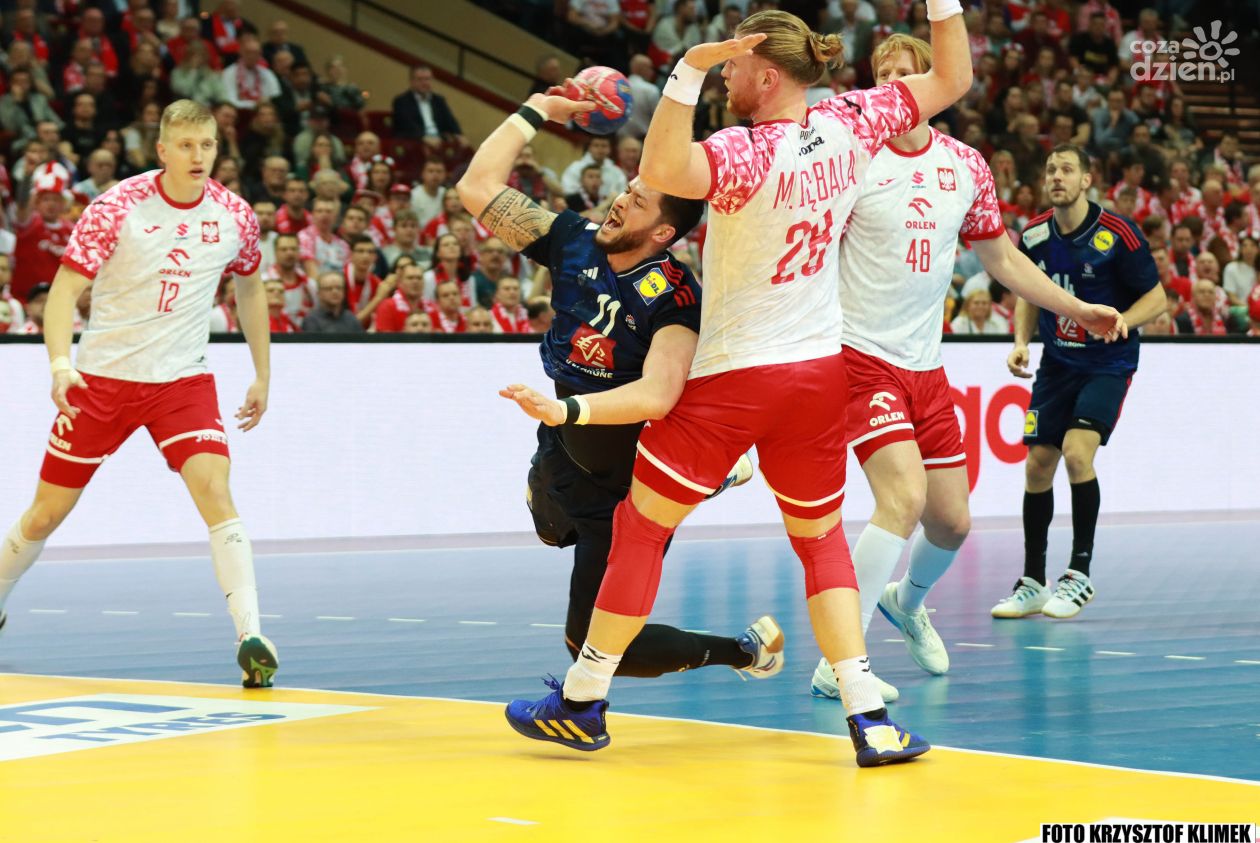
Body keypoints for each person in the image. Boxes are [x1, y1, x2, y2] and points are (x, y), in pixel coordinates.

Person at [504, 5, 975, 767]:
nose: (727, 76)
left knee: (640, 528)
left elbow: (664, 172)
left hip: (736, 376)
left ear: (767, 73)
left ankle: (583, 700)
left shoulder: (745, 151)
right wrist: (944, 5)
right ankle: (870, 718)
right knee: (820, 541)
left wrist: (686, 72)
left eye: (734, 67)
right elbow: (953, 76)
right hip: (817, 375)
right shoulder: (855, 120)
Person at [810, 36, 1126, 703]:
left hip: (926, 369)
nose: (893, 85)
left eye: (906, 74)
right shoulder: (850, 157)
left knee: (952, 523)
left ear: (934, 81)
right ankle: (841, 661)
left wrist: (1077, 308)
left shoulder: (965, 165)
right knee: (901, 500)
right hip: (859, 358)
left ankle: (905, 602)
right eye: (882, 75)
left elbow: (1003, 260)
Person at [457, 83, 777, 702]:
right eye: (625, 190)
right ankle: (714, 475)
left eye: (638, 200)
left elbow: (657, 395)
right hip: (564, 446)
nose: (620, 200)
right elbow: (477, 187)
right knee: (551, 529)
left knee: (589, 644)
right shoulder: (574, 240)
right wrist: (538, 111)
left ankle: (744, 650)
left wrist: (566, 409)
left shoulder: (674, 299)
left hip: (626, 490)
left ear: (663, 231)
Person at [0, 99, 279, 687]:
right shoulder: (116, 207)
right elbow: (63, 292)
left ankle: (251, 635)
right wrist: (60, 365)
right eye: (186, 146)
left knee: (216, 491)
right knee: (46, 514)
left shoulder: (234, 215)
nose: (198, 156)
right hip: (102, 380)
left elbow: (251, 288)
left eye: (207, 145)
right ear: (162, 150)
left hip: (182, 381)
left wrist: (262, 373)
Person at [992, 144, 1166, 621]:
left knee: (1075, 452)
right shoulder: (1034, 235)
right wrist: (1021, 341)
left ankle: (1079, 573)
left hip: (1107, 364)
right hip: (1057, 365)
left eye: (1067, 169)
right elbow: (1028, 292)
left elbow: (1157, 299)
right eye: (1051, 169)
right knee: (1036, 467)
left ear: (1087, 180)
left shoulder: (1118, 234)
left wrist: (1123, 321)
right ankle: (1033, 582)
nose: (1056, 176)